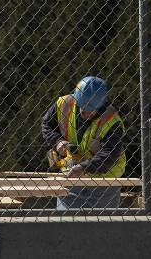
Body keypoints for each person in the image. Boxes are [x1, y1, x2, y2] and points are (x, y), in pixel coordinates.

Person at [41, 76, 126, 210]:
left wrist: (84, 168)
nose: (84, 112)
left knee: (103, 226)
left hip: (104, 181)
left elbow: (110, 154)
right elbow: (46, 124)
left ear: (101, 104)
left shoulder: (111, 120)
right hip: (71, 175)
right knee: (67, 224)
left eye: (90, 109)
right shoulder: (64, 103)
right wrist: (57, 142)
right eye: (81, 106)